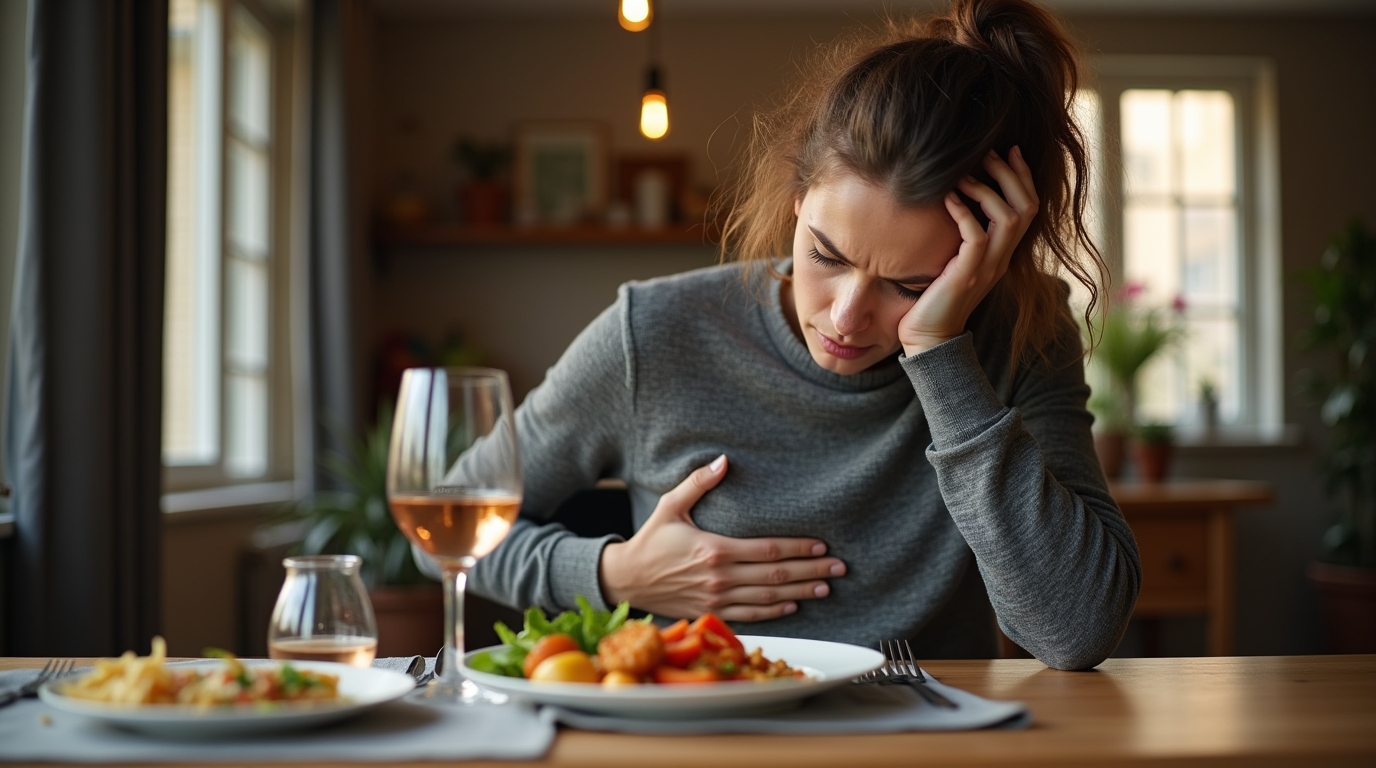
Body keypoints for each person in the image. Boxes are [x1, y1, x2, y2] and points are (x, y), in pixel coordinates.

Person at [464, 0, 1140, 671]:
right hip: (708, 720)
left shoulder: (1024, 334)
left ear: (984, 260)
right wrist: (615, 574)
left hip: (925, 723)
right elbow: (451, 521)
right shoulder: (653, 331)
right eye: (826, 255)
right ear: (797, 200)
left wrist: (940, 353)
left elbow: (1076, 632)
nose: (846, 317)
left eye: (911, 286)